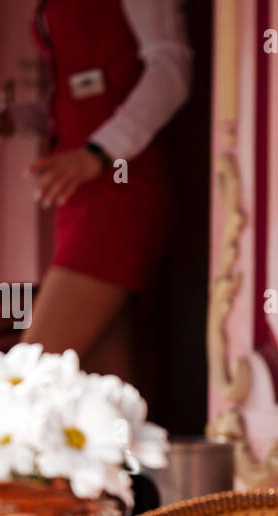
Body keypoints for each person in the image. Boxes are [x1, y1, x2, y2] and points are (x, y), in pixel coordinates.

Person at [18, 0, 192, 384]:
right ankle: (127, 448)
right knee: (103, 391)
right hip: (76, 191)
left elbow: (172, 70)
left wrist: (98, 153)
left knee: (27, 379)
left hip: (120, 184)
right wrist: (13, 119)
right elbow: (84, 94)